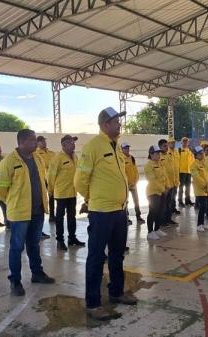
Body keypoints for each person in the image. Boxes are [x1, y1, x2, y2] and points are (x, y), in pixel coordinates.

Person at [75, 107, 137, 321]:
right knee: (96, 257)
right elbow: (80, 181)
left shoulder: (116, 146)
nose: (119, 124)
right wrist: (94, 199)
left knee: (117, 254)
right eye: (116, 121)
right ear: (105, 124)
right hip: (101, 212)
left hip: (119, 211)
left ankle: (116, 292)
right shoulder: (93, 147)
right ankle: (93, 303)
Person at [0, 129, 55, 296]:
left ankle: (37, 273)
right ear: (21, 142)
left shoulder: (38, 158)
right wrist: (13, 202)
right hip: (20, 213)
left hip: (37, 210)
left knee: (34, 244)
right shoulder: (9, 161)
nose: (35, 143)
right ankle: (15, 281)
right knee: (17, 247)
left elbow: (42, 181)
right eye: (32, 140)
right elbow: (0, 189)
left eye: (35, 140)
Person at [48, 135, 84, 251]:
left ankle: (72, 238)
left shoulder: (75, 156)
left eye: (73, 142)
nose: (73, 144)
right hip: (61, 193)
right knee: (59, 218)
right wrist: (51, 190)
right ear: (63, 145)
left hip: (72, 192)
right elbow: (50, 176)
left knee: (72, 217)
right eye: (71, 142)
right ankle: (60, 240)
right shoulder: (57, 158)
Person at [144, 145, 168, 240]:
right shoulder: (148, 165)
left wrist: (167, 186)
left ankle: (157, 229)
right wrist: (163, 189)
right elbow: (153, 180)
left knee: (160, 211)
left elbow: (164, 176)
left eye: (159, 153)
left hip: (162, 191)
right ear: (151, 154)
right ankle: (150, 232)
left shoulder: (160, 164)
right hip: (153, 192)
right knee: (153, 211)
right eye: (157, 153)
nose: (159, 155)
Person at [121, 143, 145, 225]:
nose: (127, 149)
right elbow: (122, 173)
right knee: (126, 202)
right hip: (126, 186)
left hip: (133, 185)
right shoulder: (121, 159)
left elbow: (136, 171)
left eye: (128, 148)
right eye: (125, 148)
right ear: (122, 149)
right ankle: (126, 218)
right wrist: (127, 184)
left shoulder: (132, 158)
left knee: (136, 201)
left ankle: (138, 216)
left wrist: (135, 182)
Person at [36, 135, 56, 227]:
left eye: (44, 141)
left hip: (52, 178)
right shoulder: (36, 154)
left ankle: (52, 215)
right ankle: (40, 219)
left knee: (52, 196)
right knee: (41, 198)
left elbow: (55, 163)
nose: (44, 142)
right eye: (41, 141)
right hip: (42, 178)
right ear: (37, 143)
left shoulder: (51, 153)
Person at [158, 139, 178, 225]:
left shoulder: (170, 155)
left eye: (167, 146)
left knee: (169, 203)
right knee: (163, 204)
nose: (166, 148)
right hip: (164, 185)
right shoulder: (158, 157)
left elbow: (174, 169)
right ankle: (162, 221)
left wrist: (176, 181)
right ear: (160, 147)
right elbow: (160, 173)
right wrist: (164, 185)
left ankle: (168, 219)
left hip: (172, 183)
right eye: (164, 146)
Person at [190, 146, 208, 232]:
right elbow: (197, 178)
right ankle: (199, 225)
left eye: (203, 153)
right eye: (200, 153)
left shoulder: (204, 163)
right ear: (196, 155)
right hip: (200, 189)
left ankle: (202, 224)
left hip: (207, 188)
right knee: (203, 207)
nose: (203, 154)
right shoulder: (194, 165)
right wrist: (205, 185)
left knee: (205, 207)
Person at [178, 137, 195, 206]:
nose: (185, 143)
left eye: (186, 142)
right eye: (184, 142)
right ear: (181, 142)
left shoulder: (190, 151)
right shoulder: (179, 151)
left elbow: (193, 161)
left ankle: (187, 200)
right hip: (181, 171)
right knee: (181, 187)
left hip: (189, 171)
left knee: (188, 187)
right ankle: (180, 200)